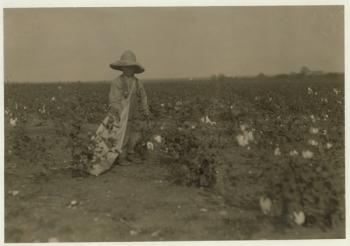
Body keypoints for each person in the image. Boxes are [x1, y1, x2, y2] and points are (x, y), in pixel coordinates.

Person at [87, 50, 150, 176]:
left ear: (134, 68)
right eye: (126, 67)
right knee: (121, 135)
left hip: (134, 113)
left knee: (134, 135)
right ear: (122, 68)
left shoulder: (138, 83)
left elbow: (143, 97)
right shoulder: (117, 82)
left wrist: (145, 109)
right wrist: (117, 111)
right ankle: (122, 157)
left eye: (131, 67)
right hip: (121, 114)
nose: (129, 70)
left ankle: (130, 154)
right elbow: (113, 99)